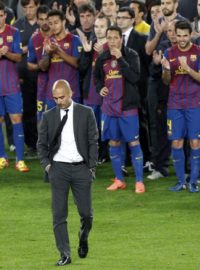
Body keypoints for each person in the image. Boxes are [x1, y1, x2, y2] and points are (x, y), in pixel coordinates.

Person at [37, 79, 98, 265]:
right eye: (55, 98)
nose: (58, 101)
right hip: (59, 169)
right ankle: (65, 254)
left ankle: (83, 235)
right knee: (58, 214)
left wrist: (91, 167)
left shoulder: (86, 113)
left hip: (81, 169)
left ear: (70, 94)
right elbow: (41, 144)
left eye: (62, 97)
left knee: (87, 214)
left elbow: (93, 141)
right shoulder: (48, 116)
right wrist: (48, 166)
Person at [94, 25, 145, 193]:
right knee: (113, 142)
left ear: (121, 39)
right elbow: (97, 78)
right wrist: (100, 88)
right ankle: (119, 180)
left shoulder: (131, 55)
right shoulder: (102, 58)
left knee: (133, 142)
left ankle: (139, 181)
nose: (112, 41)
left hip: (127, 108)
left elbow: (136, 78)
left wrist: (121, 59)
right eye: (109, 38)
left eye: (115, 38)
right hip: (109, 107)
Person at [162, 19, 200, 192]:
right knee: (176, 142)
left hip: (194, 103)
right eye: (179, 35)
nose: (182, 39)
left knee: (195, 142)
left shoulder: (198, 52)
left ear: (191, 34)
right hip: (175, 104)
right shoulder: (169, 52)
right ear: (175, 35)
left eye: (185, 35)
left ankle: (193, 181)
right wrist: (166, 70)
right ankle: (180, 181)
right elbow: (166, 81)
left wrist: (187, 67)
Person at [0, 1, 29, 172]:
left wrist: (6, 53)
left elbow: (19, 57)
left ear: (5, 15)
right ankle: (2, 157)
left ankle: (20, 159)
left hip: (11, 84)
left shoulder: (14, 32)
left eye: (1, 15)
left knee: (17, 119)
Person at [38, 9, 82, 108]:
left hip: (71, 92)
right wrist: (49, 54)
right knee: (53, 123)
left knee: (72, 123)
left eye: (56, 22)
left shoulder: (74, 40)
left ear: (64, 22)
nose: (53, 26)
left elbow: (77, 63)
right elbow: (43, 67)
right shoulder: (48, 41)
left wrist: (58, 51)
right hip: (52, 94)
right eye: (50, 23)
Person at [14, 0, 40, 156]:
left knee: (44, 110)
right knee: (29, 109)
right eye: (25, 8)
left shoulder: (44, 22)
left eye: (31, 7)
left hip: (43, 73)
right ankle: (31, 145)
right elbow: (14, 51)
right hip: (24, 74)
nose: (28, 10)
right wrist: (29, 46)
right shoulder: (17, 25)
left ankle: (47, 142)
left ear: (37, 6)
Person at [27, 5, 50, 123]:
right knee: (41, 119)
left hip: (59, 80)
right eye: (41, 19)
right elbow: (29, 64)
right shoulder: (34, 39)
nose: (45, 22)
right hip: (41, 84)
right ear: (37, 20)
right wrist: (40, 67)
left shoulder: (57, 35)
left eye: (47, 19)